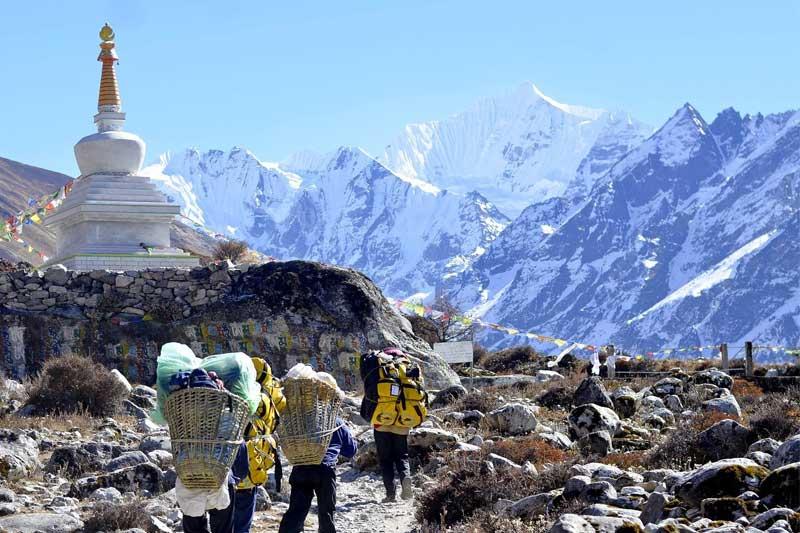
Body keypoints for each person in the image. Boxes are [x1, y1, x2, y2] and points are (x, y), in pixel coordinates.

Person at [233, 358, 286, 533]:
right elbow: (276, 417)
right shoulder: (264, 398)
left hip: (223, 469)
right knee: (242, 521)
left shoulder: (230, 394)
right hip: (249, 469)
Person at [278, 418, 358, 533]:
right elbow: (351, 451)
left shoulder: (299, 420)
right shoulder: (337, 423)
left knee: (296, 510)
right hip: (325, 470)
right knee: (326, 511)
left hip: (300, 467)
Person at [371, 348, 414, 502]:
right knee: (402, 455)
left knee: (385, 459)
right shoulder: (407, 368)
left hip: (382, 420)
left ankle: (390, 494)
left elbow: (371, 392)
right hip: (402, 421)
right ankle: (406, 480)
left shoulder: (381, 368)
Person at [182, 442, 249, 533]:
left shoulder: (185, 435)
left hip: (190, 482)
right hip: (223, 485)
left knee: (193, 528)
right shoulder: (233, 434)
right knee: (223, 529)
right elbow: (242, 472)